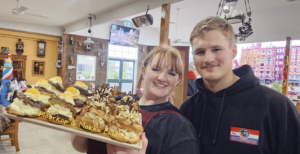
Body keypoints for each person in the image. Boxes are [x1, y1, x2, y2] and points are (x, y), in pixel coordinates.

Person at [180, 16, 300, 154]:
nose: (208, 59)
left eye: (216, 49)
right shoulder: (188, 109)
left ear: (233, 51)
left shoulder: (276, 106)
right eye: (200, 51)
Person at [71, 45, 199, 154]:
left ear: (178, 80)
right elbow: (82, 147)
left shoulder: (178, 127)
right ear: (144, 70)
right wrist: (84, 123)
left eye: (171, 73)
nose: (161, 77)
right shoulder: (114, 104)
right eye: (155, 69)